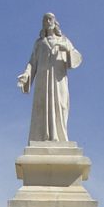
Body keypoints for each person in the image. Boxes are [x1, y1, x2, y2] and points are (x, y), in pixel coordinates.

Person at [17, 13, 82, 142]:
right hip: (43, 80)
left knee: (61, 106)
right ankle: (44, 136)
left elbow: (76, 57)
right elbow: (32, 62)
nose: (47, 21)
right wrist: (26, 75)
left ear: (55, 22)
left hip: (58, 80)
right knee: (43, 107)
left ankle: (59, 137)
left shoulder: (63, 40)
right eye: (45, 19)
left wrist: (67, 50)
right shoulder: (40, 43)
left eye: (50, 19)